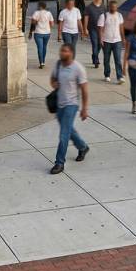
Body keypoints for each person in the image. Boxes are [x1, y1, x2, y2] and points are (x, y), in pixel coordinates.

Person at [49, 43, 90, 174]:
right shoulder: (58, 65)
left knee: (63, 135)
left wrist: (84, 109)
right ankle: (83, 147)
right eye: (61, 50)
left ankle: (59, 163)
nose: (62, 53)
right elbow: (52, 79)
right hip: (59, 105)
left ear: (71, 53)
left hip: (71, 105)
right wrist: (54, 83)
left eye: (65, 51)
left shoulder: (78, 68)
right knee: (69, 131)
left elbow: (84, 89)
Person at [97, 0, 125, 83]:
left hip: (117, 41)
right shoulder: (104, 16)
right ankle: (107, 75)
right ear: (109, 7)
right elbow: (100, 29)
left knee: (118, 59)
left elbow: (121, 28)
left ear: (117, 7)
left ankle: (119, 77)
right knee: (106, 59)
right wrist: (101, 39)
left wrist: (123, 39)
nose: (113, 8)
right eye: (112, 7)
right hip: (106, 41)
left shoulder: (119, 16)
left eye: (115, 7)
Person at [82, 0, 106, 69]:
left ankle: (94, 55)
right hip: (93, 29)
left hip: (101, 30)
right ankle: (96, 60)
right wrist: (85, 29)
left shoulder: (103, 7)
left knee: (99, 45)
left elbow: (106, 18)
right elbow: (86, 18)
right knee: (95, 44)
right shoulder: (89, 7)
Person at [29, 1, 54, 69]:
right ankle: (43, 61)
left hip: (38, 33)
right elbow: (52, 24)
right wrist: (47, 27)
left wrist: (30, 32)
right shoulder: (49, 13)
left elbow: (33, 23)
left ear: (39, 6)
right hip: (47, 33)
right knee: (44, 47)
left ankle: (41, 63)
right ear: (45, 6)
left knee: (40, 48)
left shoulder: (36, 13)